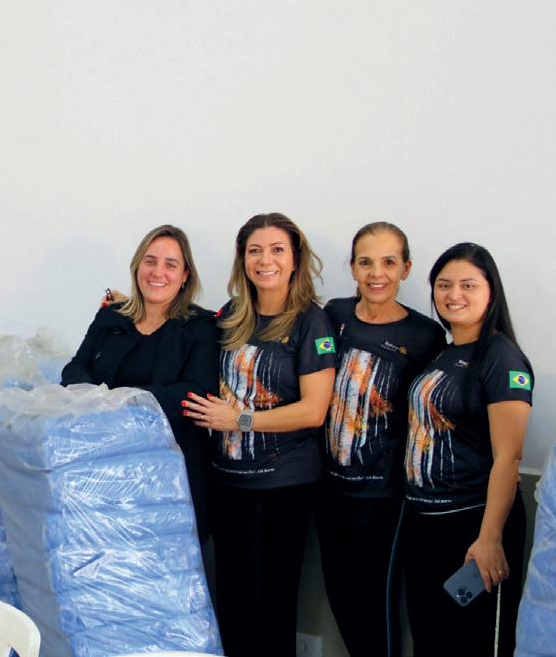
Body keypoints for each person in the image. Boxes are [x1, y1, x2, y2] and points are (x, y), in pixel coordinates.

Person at [184, 212, 336, 657]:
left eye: (276, 250)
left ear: (295, 259)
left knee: (272, 604)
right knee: (231, 601)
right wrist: (127, 303)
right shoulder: (231, 315)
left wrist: (241, 420)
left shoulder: (311, 322)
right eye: (255, 251)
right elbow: (184, 323)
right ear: (242, 259)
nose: (265, 260)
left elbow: (314, 410)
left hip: (283, 485)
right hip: (227, 482)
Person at [317, 222, 446, 657]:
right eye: (366, 262)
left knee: (376, 603)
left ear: (405, 268)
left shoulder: (426, 336)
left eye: (389, 262)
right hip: (330, 489)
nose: (377, 273)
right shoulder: (333, 315)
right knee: (340, 595)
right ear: (352, 268)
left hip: (384, 498)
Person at [401, 242, 532, 657]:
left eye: (468, 285)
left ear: (491, 291)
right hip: (425, 522)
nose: (453, 294)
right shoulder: (444, 351)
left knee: (472, 643)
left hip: (472, 524)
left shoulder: (501, 358)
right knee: (431, 640)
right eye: (444, 285)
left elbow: (509, 457)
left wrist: (489, 538)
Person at [61, 224, 219, 543]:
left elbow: (198, 391)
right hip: (106, 471)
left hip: (171, 478)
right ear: (137, 267)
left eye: (170, 264)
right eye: (150, 261)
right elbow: (75, 368)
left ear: (185, 275)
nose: (158, 272)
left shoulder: (201, 326)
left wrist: (125, 401)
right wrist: (94, 397)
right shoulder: (111, 317)